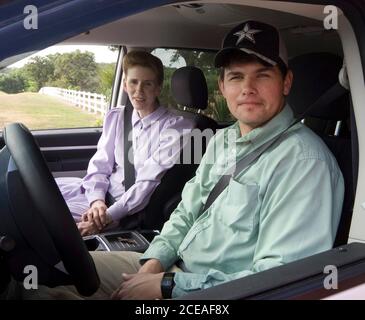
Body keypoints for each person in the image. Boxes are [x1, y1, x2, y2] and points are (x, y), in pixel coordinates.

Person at [13, 20, 344, 300]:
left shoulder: (305, 162)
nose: (247, 88)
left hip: (210, 294)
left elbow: (276, 281)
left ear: (286, 82)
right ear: (223, 86)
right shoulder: (224, 139)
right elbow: (187, 211)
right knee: (46, 278)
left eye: (262, 75)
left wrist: (168, 287)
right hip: (175, 266)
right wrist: (156, 260)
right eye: (236, 77)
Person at [57, 51, 194, 236]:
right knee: (40, 193)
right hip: (98, 197)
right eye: (134, 82)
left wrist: (104, 217)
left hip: (121, 210)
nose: (139, 91)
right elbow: (100, 164)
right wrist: (96, 200)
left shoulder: (177, 127)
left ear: (158, 88)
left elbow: (147, 183)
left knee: (47, 218)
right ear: (124, 84)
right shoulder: (117, 116)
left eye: (148, 84)